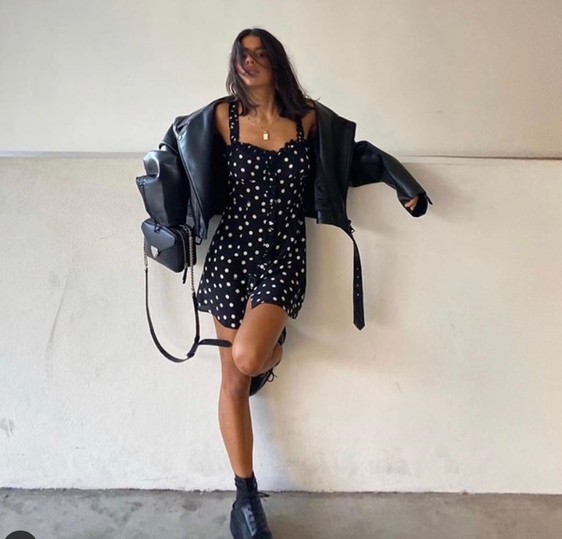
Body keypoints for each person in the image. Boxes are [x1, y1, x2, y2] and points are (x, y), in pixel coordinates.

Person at [155, 28, 431, 539]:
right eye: (243, 54)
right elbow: (174, 148)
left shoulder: (307, 121)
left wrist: (401, 183)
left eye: (260, 53)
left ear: (277, 62)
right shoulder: (221, 117)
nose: (250, 62)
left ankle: (273, 349)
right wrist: (163, 204)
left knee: (248, 358)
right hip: (230, 253)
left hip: (282, 256)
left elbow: (353, 157)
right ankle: (245, 500)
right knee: (233, 383)